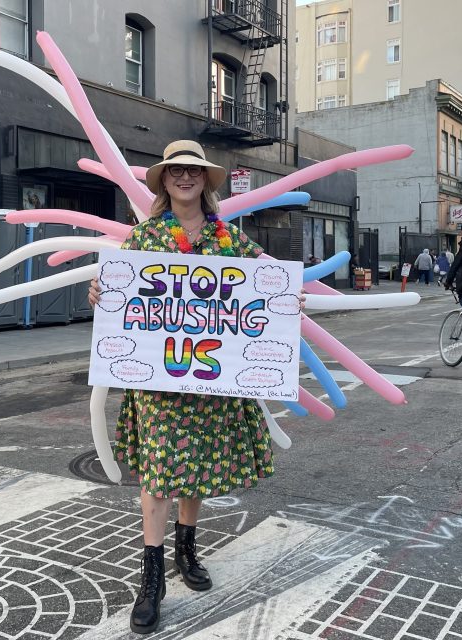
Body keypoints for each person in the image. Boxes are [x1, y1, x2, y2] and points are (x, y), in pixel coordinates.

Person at [87, 140, 295, 634]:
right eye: (176, 171)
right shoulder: (144, 238)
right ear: (164, 181)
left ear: (205, 181)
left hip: (211, 384)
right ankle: (151, 578)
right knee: (159, 475)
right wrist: (100, 293)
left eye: (194, 171)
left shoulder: (231, 241)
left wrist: (287, 302)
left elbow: (267, 286)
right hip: (159, 386)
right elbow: (118, 296)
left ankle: (187, 550)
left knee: (195, 471)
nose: (185, 178)